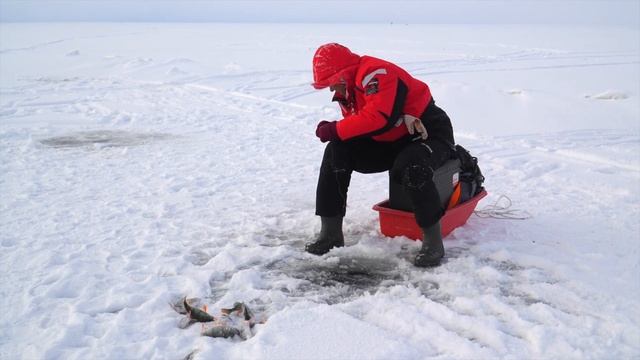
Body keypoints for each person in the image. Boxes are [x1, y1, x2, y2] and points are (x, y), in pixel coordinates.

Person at [306, 43, 456, 267]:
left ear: (344, 72)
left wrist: (335, 129)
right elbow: (366, 124)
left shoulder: (375, 73)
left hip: (429, 134)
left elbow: (378, 117)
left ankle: (433, 242)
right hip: (392, 138)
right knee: (336, 150)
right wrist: (339, 132)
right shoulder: (348, 88)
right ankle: (330, 234)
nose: (330, 88)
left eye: (331, 82)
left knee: (411, 164)